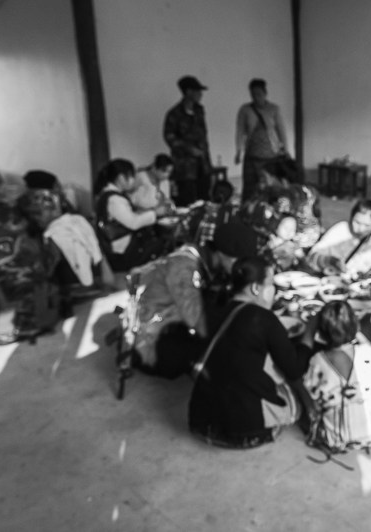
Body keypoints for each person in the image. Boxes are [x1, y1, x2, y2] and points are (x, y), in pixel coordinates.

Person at [188, 256, 314, 449]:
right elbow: (294, 369)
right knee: (292, 395)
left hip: (200, 423)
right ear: (256, 288)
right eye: (271, 284)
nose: (274, 290)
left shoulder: (212, 307)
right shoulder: (263, 319)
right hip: (246, 433)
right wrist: (309, 334)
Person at [123, 220, 259, 379]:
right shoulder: (184, 268)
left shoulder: (206, 259)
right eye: (241, 261)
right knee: (216, 347)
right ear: (225, 256)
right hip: (150, 336)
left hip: (167, 318)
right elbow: (197, 321)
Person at [303, 300, 371, 452]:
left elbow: (311, 391)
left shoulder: (318, 361)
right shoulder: (368, 352)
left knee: (310, 399)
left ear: (321, 333)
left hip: (336, 439)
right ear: (356, 327)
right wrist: (355, 331)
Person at [95, 158, 170, 272]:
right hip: (123, 251)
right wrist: (155, 213)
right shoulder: (114, 200)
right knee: (164, 243)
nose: (134, 180)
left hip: (124, 245)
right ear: (121, 178)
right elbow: (133, 223)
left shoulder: (110, 195)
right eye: (131, 176)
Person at [305, 198, 371, 276]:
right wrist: (330, 261)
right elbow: (312, 257)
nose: (360, 229)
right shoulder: (341, 230)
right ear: (352, 217)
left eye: (367, 225)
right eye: (357, 222)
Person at [235, 78, 289, 200]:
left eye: (259, 94)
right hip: (252, 156)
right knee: (250, 188)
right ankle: (249, 209)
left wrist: (285, 149)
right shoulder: (245, 110)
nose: (256, 97)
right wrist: (239, 150)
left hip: (271, 156)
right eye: (253, 94)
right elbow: (240, 131)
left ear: (265, 93)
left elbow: (281, 131)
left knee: (271, 188)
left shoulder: (274, 109)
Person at [164, 75, 212, 206]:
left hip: (203, 165)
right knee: (186, 202)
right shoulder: (174, 114)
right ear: (188, 92)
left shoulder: (199, 110)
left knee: (205, 201)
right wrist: (188, 148)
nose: (200, 94)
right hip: (185, 169)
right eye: (197, 91)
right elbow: (169, 137)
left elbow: (203, 135)